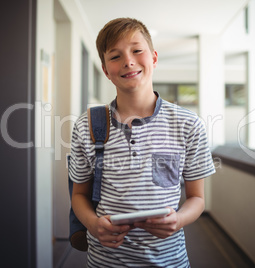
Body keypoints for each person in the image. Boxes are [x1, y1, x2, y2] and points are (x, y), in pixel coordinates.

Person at [69, 17, 215, 267]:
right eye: (115, 56)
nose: (128, 61)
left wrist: (178, 220)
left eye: (137, 50)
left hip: (169, 260)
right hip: (105, 261)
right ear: (106, 71)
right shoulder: (87, 125)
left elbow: (197, 199)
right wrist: (93, 225)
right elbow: (78, 194)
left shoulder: (188, 124)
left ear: (154, 57)